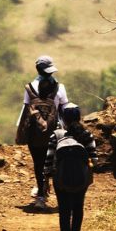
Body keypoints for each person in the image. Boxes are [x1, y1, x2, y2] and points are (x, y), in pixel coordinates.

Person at [44, 103, 97, 231]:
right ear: (79, 118)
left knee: (65, 212)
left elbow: (48, 160)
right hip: (81, 180)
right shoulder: (87, 135)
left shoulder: (56, 135)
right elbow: (94, 158)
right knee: (78, 209)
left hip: (61, 180)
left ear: (63, 119)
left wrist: (46, 179)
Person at [16, 55, 68, 209]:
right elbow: (63, 109)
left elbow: (26, 110)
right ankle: (60, 195)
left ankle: (41, 197)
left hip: (35, 132)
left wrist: (20, 131)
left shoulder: (29, 87)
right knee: (56, 163)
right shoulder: (60, 87)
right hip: (55, 132)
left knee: (38, 163)